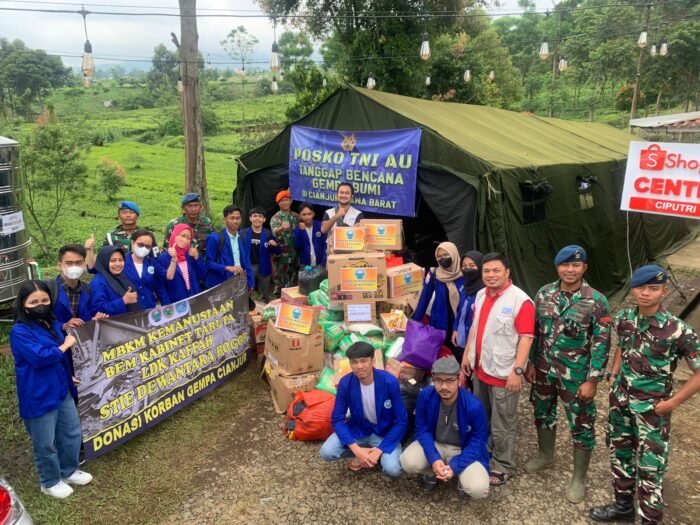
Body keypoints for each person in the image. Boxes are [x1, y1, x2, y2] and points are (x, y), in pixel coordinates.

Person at [589, 265, 700, 525]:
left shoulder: (678, 330)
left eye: (653, 288)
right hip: (622, 403)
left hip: (653, 410)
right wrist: (614, 375)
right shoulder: (626, 318)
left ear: (664, 291)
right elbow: (623, 346)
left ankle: (649, 519)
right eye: (641, 288)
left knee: (651, 467)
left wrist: (673, 402)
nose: (646, 293)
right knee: (621, 454)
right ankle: (623, 506)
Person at [524, 245, 612, 503]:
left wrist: (593, 379)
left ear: (584, 268)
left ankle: (579, 477)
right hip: (543, 370)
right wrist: (530, 363)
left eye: (576, 265)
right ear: (557, 267)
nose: (570, 270)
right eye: (565, 265)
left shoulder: (596, 300)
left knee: (581, 423)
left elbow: (601, 342)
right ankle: (546, 454)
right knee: (542, 412)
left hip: (576, 376)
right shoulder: (544, 294)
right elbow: (536, 332)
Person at [10, 280, 93, 499]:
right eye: (34, 301)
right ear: (23, 304)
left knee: (71, 432)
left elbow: (61, 360)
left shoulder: (52, 323)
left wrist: (68, 376)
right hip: (38, 394)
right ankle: (49, 481)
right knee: (45, 442)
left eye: (45, 300)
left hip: (61, 388)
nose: (41, 305)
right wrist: (65, 344)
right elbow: (40, 358)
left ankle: (69, 470)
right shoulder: (19, 331)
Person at [461, 252, 535, 486]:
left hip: (504, 373)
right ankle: (485, 450)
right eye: (486, 271)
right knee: (482, 416)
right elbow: (475, 327)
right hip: (481, 369)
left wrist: (518, 371)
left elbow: (526, 338)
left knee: (503, 421)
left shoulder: (520, 301)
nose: (491, 275)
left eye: (496, 271)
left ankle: (503, 464)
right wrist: (466, 354)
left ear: (507, 272)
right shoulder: (481, 295)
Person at [400, 356, 490, 498]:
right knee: (407, 462)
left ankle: (459, 476)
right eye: (439, 380)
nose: (444, 387)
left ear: (459, 380)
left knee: (478, 489)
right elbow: (422, 429)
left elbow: (479, 441)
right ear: (433, 380)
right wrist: (434, 459)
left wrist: (455, 466)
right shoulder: (425, 396)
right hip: (435, 443)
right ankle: (433, 471)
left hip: (462, 449)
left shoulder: (474, 406)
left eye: (449, 380)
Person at [320, 342, 408, 478]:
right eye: (354, 362)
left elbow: (401, 421)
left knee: (393, 470)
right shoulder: (345, 383)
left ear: (373, 360)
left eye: (363, 361)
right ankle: (364, 454)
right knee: (326, 452)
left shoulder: (389, 382)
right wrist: (357, 450)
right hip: (359, 429)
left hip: (384, 433)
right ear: (350, 364)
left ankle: (375, 456)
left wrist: (379, 450)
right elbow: (337, 419)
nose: (359, 366)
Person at [412, 242, 466, 350]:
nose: (443, 259)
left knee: (460, 350)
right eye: (439, 256)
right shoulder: (434, 274)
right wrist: (415, 321)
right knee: (440, 352)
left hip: (460, 321)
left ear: (454, 254)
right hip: (440, 321)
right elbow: (424, 298)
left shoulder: (465, 273)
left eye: (446, 255)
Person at [204, 205, 254, 292]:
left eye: (238, 218)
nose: (235, 221)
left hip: (238, 282)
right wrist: (227, 268)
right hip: (220, 285)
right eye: (232, 218)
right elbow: (209, 263)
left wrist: (251, 282)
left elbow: (247, 261)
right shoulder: (215, 238)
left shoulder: (243, 237)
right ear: (225, 219)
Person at [88, 245, 140, 317]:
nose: (118, 264)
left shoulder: (121, 277)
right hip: (112, 326)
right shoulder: (98, 283)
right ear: (104, 261)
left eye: (121, 260)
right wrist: (123, 301)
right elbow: (96, 310)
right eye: (113, 260)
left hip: (128, 322)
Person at [451, 251, 484, 363]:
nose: (467, 269)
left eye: (472, 266)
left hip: (477, 343)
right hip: (462, 337)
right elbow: (460, 311)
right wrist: (455, 329)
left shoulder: (485, 291)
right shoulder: (465, 287)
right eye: (464, 266)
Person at [159, 223, 206, 302]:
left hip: (195, 297)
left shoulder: (190, 254)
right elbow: (160, 286)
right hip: (177, 303)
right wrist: (167, 306)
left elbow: (202, 275)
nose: (185, 240)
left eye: (188, 238)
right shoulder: (164, 258)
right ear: (175, 234)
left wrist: (197, 257)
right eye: (182, 235)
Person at [124, 229, 170, 309]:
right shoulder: (121, 263)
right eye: (140, 245)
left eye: (148, 246)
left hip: (149, 310)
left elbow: (160, 287)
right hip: (128, 313)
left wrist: (168, 307)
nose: (144, 248)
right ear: (132, 243)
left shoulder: (152, 263)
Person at [241, 207, 279, 303]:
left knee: (265, 291)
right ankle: (245, 305)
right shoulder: (243, 233)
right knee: (246, 289)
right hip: (249, 265)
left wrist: (274, 245)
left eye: (260, 216)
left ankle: (264, 307)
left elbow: (277, 251)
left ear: (264, 219)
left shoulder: (268, 233)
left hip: (264, 265)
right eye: (255, 216)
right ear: (250, 218)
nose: (257, 219)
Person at [162, 193, 213, 259]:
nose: (193, 209)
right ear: (183, 208)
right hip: (181, 264)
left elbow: (211, 245)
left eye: (196, 205)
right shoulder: (174, 224)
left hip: (202, 264)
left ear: (200, 207)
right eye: (190, 206)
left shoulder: (206, 222)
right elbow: (166, 249)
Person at [269, 190, 299, 294]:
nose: (285, 202)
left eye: (287, 200)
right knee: (280, 279)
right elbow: (275, 232)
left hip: (295, 254)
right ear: (278, 203)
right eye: (282, 201)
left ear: (291, 201)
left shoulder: (296, 216)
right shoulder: (275, 218)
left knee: (294, 279)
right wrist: (281, 228)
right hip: (282, 255)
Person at [293, 203, 327, 268]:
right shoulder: (298, 229)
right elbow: (298, 246)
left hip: (321, 263)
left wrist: (324, 262)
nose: (307, 217)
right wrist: (301, 231)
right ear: (300, 216)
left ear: (313, 214)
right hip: (305, 264)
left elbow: (326, 245)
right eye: (304, 214)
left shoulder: (320, 225)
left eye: (309, 214)